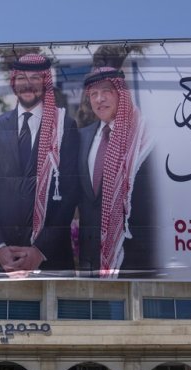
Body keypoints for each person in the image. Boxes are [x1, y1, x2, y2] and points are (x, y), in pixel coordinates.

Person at [0, 53, 79, 277]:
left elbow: (70, 194)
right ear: (13, 82)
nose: (28, 84)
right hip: (2, 261)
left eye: (35, 77)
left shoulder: (65, 127)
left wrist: (39, 250)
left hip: (50, 259)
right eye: (21, 78)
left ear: (45, 82)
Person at [77, 67, 155, 278]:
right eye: (93, 94)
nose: (99, 99)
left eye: (106, 91)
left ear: (121, 92)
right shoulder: (82, 137)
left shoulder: (145, 137)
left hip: (137, 261)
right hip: (90, 262)